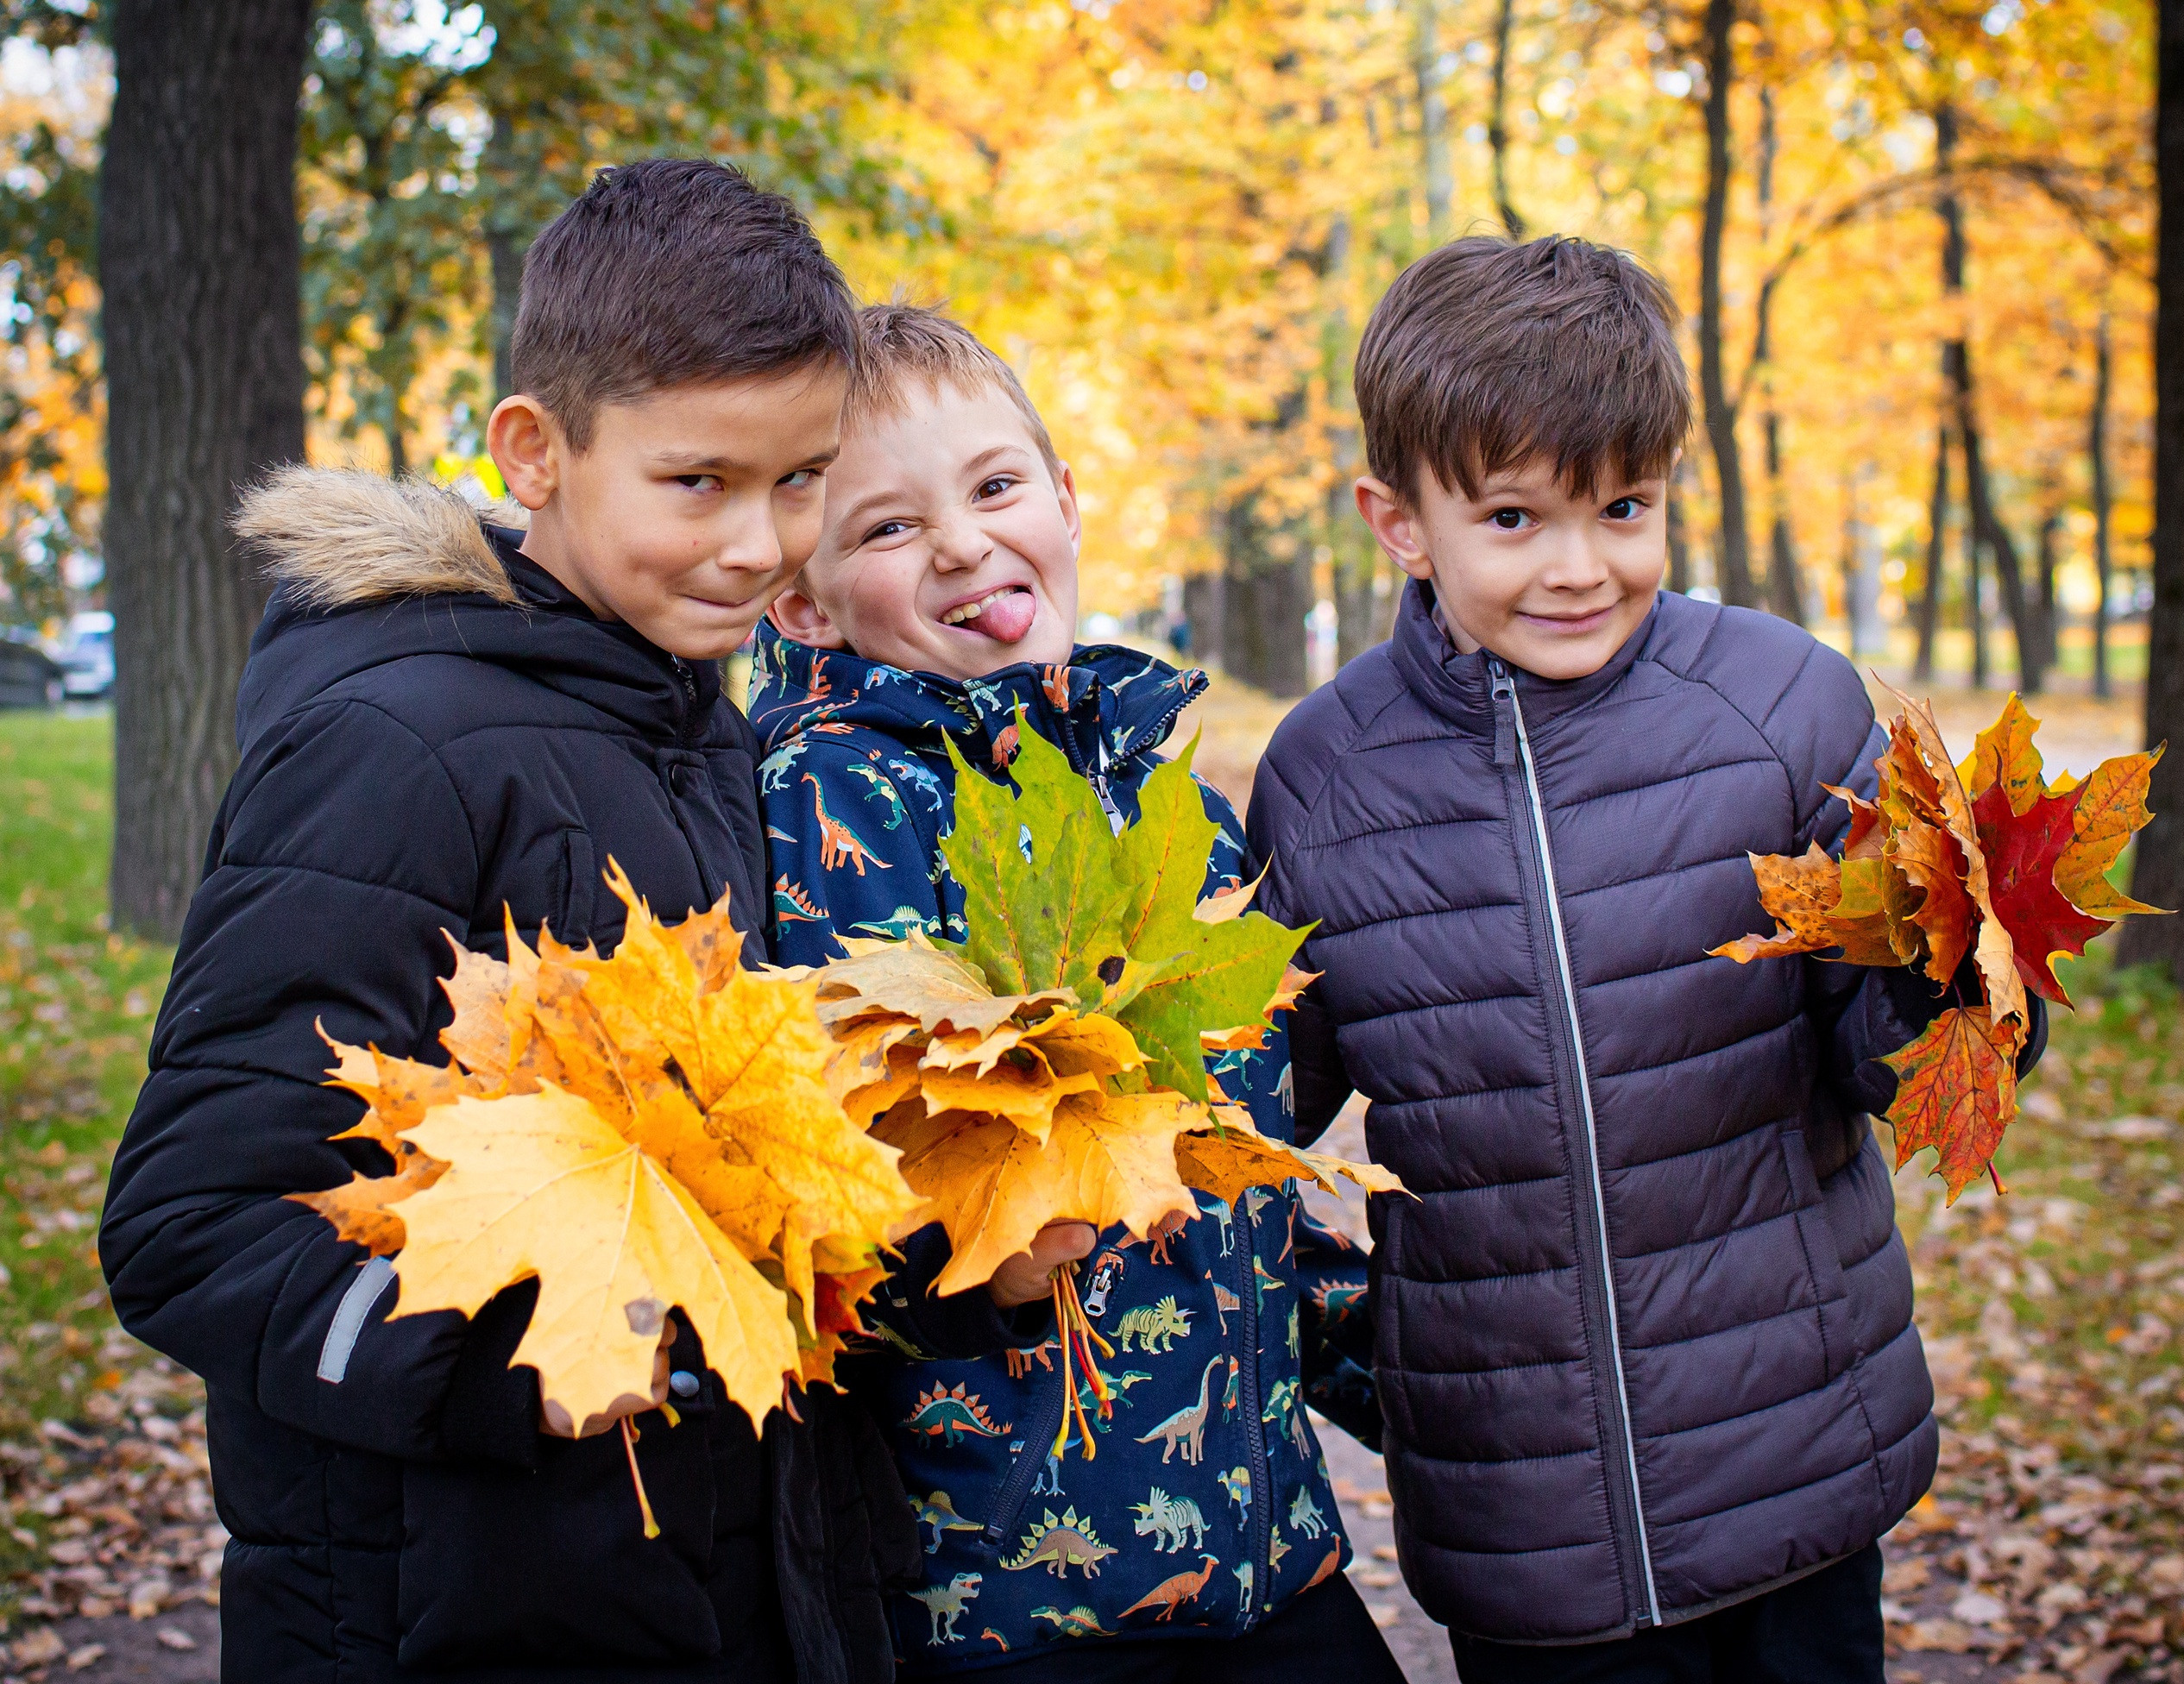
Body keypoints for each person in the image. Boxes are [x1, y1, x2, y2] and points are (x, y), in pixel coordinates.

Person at [99, 160, 1003, 1684]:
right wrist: (517, 1357)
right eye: (697, 483)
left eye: (801, 480)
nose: (759, 544)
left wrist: (939, 1236)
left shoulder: (700, 735)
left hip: (695, 1592)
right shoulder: (396, 752)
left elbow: (725, 1177)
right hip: (443, 1617)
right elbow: (188, 1227)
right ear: (536, 451)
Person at [1245, 235, 2045, 1684]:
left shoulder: (1779, 708)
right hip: (1519, 1500)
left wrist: (1969, 966)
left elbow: (1891, 1061)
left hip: (1793, 1440)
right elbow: (1264, 1105)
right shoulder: (1323, 780)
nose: (1580, 566)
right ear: (1399, 520)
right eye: (1513, 517)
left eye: (1625, 507)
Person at [752, 303, 1403, 1682]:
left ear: (1065, 499)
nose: (961, 543)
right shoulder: (826, 811)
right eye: (885, 528)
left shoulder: (1175, 809)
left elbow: (1239, 1176)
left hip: (1262, 1551)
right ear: (804, 604)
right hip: (1014, 1591)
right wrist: (970, 1274)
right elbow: (836, 1187)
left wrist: (1416, 1372)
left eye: (994, 487)